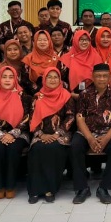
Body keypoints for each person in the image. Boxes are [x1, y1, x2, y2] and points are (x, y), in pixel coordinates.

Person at [71, 63, 111, 205]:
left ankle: (104, 188)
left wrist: (106, 138)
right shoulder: (84, 94)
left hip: (108, 132)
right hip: (86, 132)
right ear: (93, 77)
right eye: (98, 76)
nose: (101, 79)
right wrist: (89, 138)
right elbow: (80, 118)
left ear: (109, 77)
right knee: (75, 146)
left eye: (105, 76)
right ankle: (82, 188)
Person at [0, 66, 31, 199]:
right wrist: (0, 135)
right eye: (4, 77)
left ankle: (10, 186)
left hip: (19, 133)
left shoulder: (23, 97)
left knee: (13, 148)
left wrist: (12, 134)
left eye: (11, 77)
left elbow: (27, 118)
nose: (7, 80)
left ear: (16, 79)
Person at [27, 68, 74, 204]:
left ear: (60, 80)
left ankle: (50, 189)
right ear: (44, 79)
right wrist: (41, 135)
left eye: (55, 77)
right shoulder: (37, 97)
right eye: (49, 77)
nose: (53, 80)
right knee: (37, 149)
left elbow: (70, 117)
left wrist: (57, 133)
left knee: (54, 148)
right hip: (40, 134)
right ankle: (35, 190)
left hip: (60, 134)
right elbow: (31, 118)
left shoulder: (66, 96)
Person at [60, 30, 102, 100]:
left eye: (87, 40)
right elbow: (60, 80)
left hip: (92, 98)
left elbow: (101, 78)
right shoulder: (66, 59)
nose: (84, 42)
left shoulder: (96, 57)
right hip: (70, 97)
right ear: (75, 40)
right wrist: (70, 94)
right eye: (81, 40)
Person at [21, 30, 61, 96]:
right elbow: (25, 81)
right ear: (35, 41)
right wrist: (38, 93)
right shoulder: (28, 59)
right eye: (39, 40)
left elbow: (60, 78)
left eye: (45, 40)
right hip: (33, 94)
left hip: (55, 93)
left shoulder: (56, 59)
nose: (42, 42)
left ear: (49, 41)